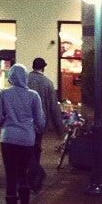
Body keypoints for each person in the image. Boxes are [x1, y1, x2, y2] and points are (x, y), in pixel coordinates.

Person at [0, 63, 46, 204]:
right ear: (25, 77)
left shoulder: (4, 94)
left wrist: (5, 119)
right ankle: (25, 203)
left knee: (10, 175)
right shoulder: (34, 95)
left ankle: (10, 203)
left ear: (11, 77)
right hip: (27, 139)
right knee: (23, 172)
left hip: (8, 138)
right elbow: (40, 123)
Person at [27, 57, 66, 192]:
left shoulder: (24, 81)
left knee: (26, 149)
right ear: (43, 67)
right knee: (36, 149)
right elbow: (54, 108)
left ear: (33, 67)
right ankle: (36, 177)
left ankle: (32, 176)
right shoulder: (48, 83)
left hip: (24, 122)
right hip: (39, 123)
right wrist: (59, 129)